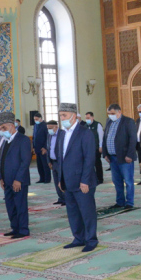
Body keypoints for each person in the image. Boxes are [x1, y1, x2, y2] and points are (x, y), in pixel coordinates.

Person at [55, 102, 98, 252]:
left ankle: (91, 240)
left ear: (73, 116)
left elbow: (89, 159)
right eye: (60, 116)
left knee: (87, 212)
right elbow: (61, 159)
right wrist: (60, 179)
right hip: (67, 181)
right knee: (73, 212)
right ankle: (78, 238)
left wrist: (85, 180)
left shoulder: (85, 133)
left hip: (82, 182)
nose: (62, 118)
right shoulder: (62, 134)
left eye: (64, 115)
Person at [0, 112, 31, 239]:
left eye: (4, 128)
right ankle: (14, 228)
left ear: (12, 126)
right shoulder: (5, 141)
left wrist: (18, 179)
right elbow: (2, 160)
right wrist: (1, 177)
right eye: (0, 128)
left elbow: (25, 161)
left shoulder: (23, 140)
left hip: (18, 181)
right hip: (7, 180)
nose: (1, 131)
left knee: (20, 205)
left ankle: (23, 229)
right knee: (10, 205)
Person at [103, 104, 137, 209]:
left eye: (112, 113)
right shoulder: (108, 121)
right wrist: (105, 154)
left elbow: (133, 139)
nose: (110, 115)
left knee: (128, 181)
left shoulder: (128, 122)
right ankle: (120, 201)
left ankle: (129, 203)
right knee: (116, 181)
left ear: (119, 112)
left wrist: (130, 155)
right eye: (109, 113)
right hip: (112, 158)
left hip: (124, 157)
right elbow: (105, 138)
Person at [46, 120, 65, 206]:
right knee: (56, 181)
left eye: (50, 128)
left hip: (61, 162)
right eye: (48, 128)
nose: (49, 130)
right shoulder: (49, 135)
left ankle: (66, 199)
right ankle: (60, 198)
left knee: (62, 181)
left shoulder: (63, 134)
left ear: (56, 127)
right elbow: (48, 148)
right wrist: (49, 161)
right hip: (53, 162)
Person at [85, 112, 105, 184]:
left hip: (96, 148)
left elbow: (101, 136)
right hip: (88, 149)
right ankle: (92, 179)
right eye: (86, 118)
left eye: (88, 118)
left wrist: (100, 146)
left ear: (92, 117)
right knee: (89, 164)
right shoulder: (85, 126)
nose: (87, 119)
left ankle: (100, 179)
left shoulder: (97, 125)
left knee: (97, 164)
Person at [32, 112, 51, 184]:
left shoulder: (45, 125)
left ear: (40, 119)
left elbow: (47, 137)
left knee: (45, 164)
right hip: (37, 148)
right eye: (34, 119)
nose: (35, 120)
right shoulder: (36, 125)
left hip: (43, 149)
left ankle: (47, 179)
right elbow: (34, 137)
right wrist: (33, 147)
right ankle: (41, 178)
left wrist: (45, 148)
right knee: (39, 165)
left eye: (36, 119)